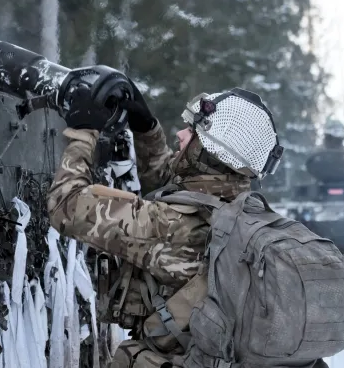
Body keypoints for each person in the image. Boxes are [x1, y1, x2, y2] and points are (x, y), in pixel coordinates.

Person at [47, 86, 284, 368]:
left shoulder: (172, 225)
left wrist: (83, 133)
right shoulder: (239, 209)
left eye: (193, 133)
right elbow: (169, 184)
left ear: (207, 153)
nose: (181, 135)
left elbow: (66, 206)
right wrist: (146, 129)